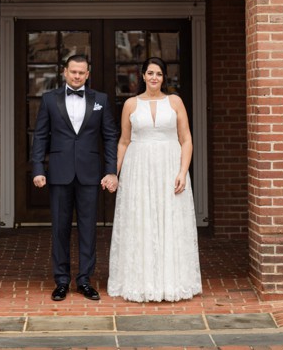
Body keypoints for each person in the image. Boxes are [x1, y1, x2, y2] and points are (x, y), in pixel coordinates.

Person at [107, 56, 201, 302]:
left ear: (164, 77)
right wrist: (113, 173)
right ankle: (141, 281)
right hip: (138, 169)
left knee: (169, 220)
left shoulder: (175, 101)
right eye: (150, 73)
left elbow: (186, 139)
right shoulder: (130, 104)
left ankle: (172, 282)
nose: (154, 77)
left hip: (170, 166)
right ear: (143, 76)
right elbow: (124, 141)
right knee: (141, 220)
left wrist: (183, 171)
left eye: (158, 74)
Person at [30, 54, 119, 301]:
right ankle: (61, 281)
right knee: (59, 228)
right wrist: (38, 168)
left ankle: (84, 280)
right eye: (73, 72)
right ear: (65, 72)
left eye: (82, 72)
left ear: (88, 74)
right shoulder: (49, 100)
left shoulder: (100, 100)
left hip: (90, 173)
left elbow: (110, 135)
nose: (77, 76)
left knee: (88, 229)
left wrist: (111, 170)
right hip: (59, 172)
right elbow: (40, 136)